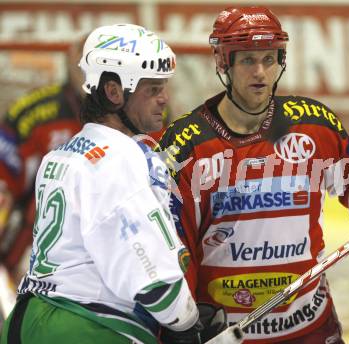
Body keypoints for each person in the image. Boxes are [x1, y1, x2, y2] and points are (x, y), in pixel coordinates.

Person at [157, 6, 349, 343]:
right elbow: (172, 242)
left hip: (310, 326)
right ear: (224, 63)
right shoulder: (185, 146)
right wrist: (182, 321)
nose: (261, 73)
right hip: (226, 333)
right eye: (248, 60)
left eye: (269, 59)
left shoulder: (312, 123)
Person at [0, 24, 230, 344]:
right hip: (86, 328)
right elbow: (155, 282)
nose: (165, 99)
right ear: (113, 92)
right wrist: (188, 322)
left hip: (25, 322)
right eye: (152, 88)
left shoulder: (61, 155)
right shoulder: (122, 158)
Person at [0, 36, 84, 284]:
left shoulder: (141, 113)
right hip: (34, 243)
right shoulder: (32, 113)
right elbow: (3, 184)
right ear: (70, 60)